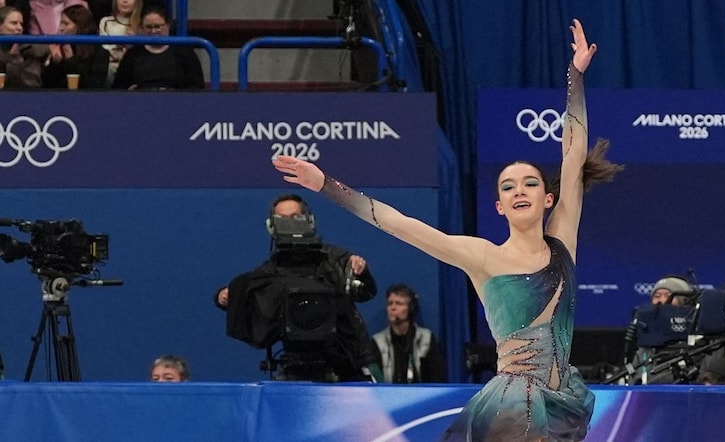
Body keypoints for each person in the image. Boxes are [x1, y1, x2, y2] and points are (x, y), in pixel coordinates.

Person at [272, 18, 618, 441]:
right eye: (508, 187)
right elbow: (400, 224)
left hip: (562, 400)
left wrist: (575, 76)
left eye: (530, 183)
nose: (520, 190)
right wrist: (326, 184)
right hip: (512, 404)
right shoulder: (482, 256)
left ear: (549, 198)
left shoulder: (563, 240)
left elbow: (573, 152)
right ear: (499, 206)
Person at [220, 194, 380, 383]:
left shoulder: (336, 260)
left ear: (309, 219)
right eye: (283, 219)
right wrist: (223, 296)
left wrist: (361, 272)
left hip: (349, 362)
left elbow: (366, 292)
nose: (290, 224)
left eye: (296, 217)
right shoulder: (271, 271)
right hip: (294, 363)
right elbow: (246, 294)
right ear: (272, 225)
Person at [111, 3, 203, 90]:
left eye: (158, 26)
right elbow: (118, 88)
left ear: (168, 25)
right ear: (141, 28)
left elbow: (197, 88)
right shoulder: (133, 54)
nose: (154, 31)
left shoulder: (184, 53)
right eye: (149, 27)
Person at [370, 283, 447, 383]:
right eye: (390, 303)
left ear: (410, 309)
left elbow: (437, 377)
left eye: (399, 304)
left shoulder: (426, 339)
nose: (392, 308)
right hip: (388, 396)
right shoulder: (378, 342)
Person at [40, 5, 109, 88]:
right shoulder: (60, 49)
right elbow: (47, 85)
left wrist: (70, 60)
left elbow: (93, 86)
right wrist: (55, 63)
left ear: (80, 26)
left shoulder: (100, 54)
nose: (61, 28)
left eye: (65, 24)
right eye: (61, 23)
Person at [0, 5, 49, 88]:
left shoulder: (31, 51)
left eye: (21, 24)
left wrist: (14, 59)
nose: (19, 28)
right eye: (14, 23)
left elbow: (27, 87)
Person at [98, 0, 141, 85]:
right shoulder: (106, 22)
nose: (124, 1)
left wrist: (133, 45)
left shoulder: (141, 24)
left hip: (133, 66)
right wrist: (123, 45)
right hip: (110, 66)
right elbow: (106, 49)